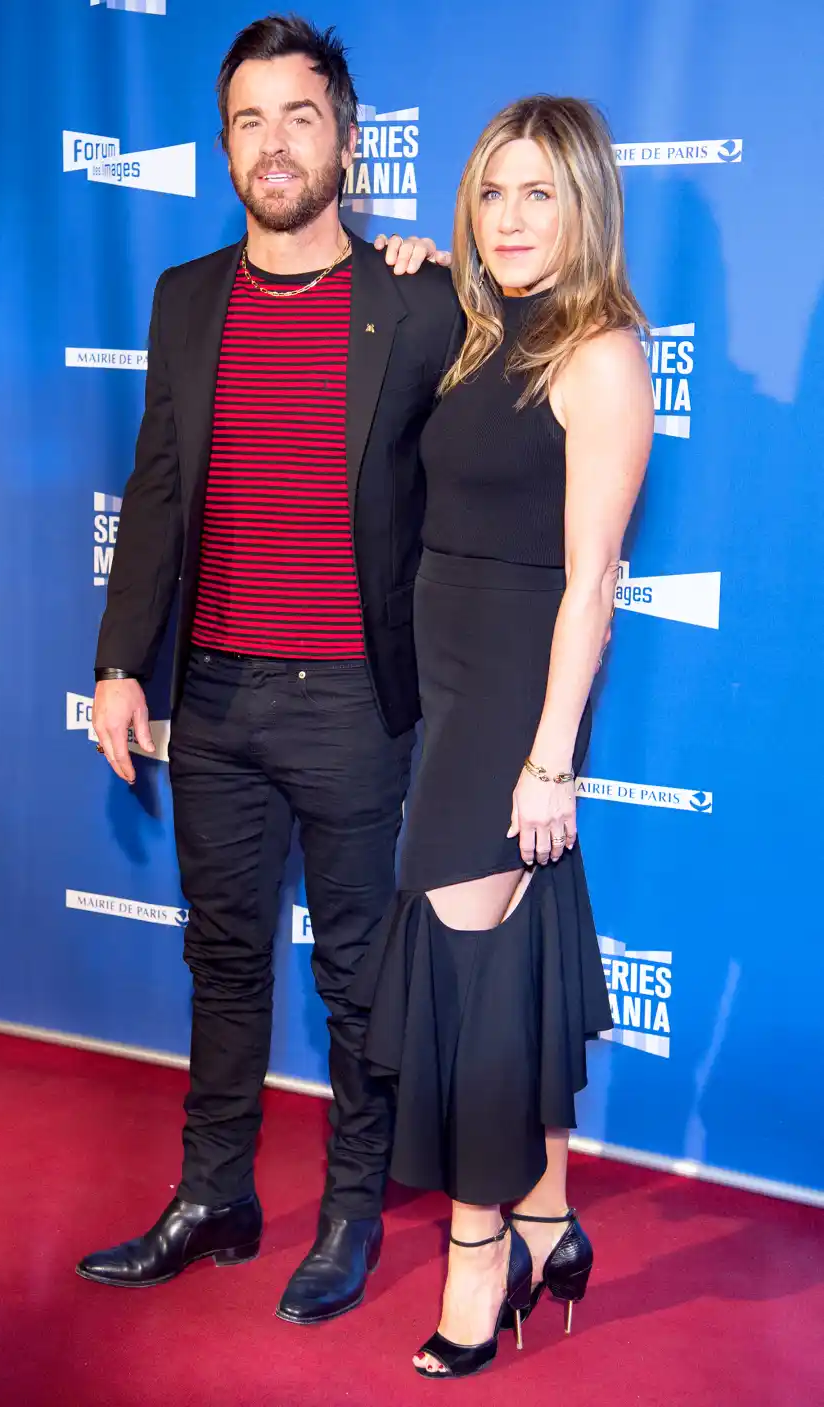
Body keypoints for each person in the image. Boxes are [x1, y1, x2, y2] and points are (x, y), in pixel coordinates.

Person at [76, 15, 459, 1327]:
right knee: (225, 956)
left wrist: (462, 270)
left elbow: (526, 403)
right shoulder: (187, 296)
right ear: (224, 144)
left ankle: (352, 1208)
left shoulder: (416, 298)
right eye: (250, 119)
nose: (275, 143)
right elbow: (160, 486)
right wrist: (123, 661)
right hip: (221, 695)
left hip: (356, 695)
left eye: (302, 116)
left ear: (348, 138)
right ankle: (215, 1192)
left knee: (356, 970)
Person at [352, 95, 654, 1377]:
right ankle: (553, 1216)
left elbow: (591, 585)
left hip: (514, 709)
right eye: (493, 192)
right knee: (509, 971)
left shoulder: (602, 353)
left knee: (468, 990)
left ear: (586, 204)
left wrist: (549, 761)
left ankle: (486, 1265)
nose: (513, 217)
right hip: (451, 680)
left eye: (541, 192)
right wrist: (428, 263)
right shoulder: (483, 333)